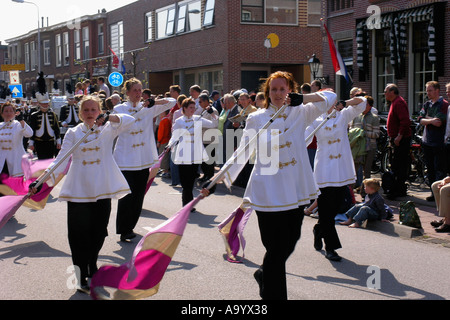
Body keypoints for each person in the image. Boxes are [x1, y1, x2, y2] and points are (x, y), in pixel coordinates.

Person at [212, 71, 337, 300]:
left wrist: (303, 98)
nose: (278, 94)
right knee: (275, 247)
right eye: (274, 89)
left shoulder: (301, 111)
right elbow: (243, 151)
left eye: (283, 89)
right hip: (267, 189)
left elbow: (331, 97)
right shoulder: (257, 118)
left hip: (295, 188)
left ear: (290, 90)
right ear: (268, 92)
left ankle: (263, 274)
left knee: (291, 240)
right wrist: (218, 177)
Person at [30, 95, 135, 293]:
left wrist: (109, 117)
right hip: (79, 190)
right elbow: (59, 160)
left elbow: (130, 120)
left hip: (102, 187)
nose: (89, 114)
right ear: (80, 113)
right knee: (78, 236)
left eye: (93, 110)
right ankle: (80, 275)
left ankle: (92, 263)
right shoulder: (73, 133)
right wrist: (41, 181)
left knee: (99, 232)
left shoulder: (108, 129)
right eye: (85, 110)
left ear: (99, 111)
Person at [113, 78, 176, 242]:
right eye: (135, 90)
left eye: (140, 90)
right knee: (127, 195)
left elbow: (173, 101)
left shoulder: (149, 108)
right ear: (127, 93)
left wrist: (155, 101)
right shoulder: (120, 108)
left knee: (139, 195)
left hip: (142, 158)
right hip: (126, 158)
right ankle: (123, 229)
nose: (138, 93)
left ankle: (130, 227)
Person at [306, 95, 367, 261]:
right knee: (326, 210)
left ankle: (319, 229)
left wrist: (345, 103)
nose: (330, 105)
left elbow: (362, 102)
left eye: (332, 102)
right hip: (325, 169)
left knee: (337, 205)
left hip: (341, 169)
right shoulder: (315, 120)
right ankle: (331, 247)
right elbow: (302, 138)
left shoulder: (343, 115)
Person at [169, 98, 218, 209]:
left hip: (195, 154)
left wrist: (212, 113)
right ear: (184, 108)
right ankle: (187, 204)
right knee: (185, 182)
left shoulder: (198, 119)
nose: (193, 110)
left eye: (194, 108)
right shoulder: (179, 121)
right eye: (190, 107)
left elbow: (214, 124)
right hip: (183, 154)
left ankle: (188, 205)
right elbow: (174, 136)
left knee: (191, 181)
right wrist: (169, 146)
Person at [418, 81, 448, 201]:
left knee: (439, 169)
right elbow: (420, 118)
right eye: (427, 90)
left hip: (438, 142)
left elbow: (439, 121)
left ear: (437, 91)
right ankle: (433, 193)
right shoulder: (427, 104)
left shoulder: (443, 105)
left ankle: (440, 194)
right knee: (430, 168)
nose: (427, 93)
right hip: (427, 142)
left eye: (430, 90)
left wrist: (427, 119)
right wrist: (430, 120)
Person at [385, 84, 411, 200]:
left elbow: (405, 121)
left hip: (400, 140)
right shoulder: (395, 102)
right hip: (396, 138)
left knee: (398, 164)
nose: (384, 93)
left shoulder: (398, 103)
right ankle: (398, 189)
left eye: (386, 91)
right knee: (397, 164)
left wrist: (399, 136)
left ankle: (398, 189)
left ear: (392, 92)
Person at [350, 95, 380, 194]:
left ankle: (365, 193)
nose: (363, 106)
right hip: (358, 148)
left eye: (365, 105)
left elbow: (376, 134)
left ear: (370, 106)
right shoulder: (356, 116)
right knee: (354, 170)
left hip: (369, 147)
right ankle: (350, 193)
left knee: (366, 172)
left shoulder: (374, 118)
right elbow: (351, 130)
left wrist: (363, 133)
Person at [0, 102, 33, 177]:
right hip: (2, 161)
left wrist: (21, 121)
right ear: (2, 114)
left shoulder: (18, 124)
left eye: (11, 111)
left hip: (16, 160)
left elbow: (30, 133)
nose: (8, 113)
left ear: (15, 113)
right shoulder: (0, 126)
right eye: (6, 111)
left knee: (16, 186)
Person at [28, 93, 61, 159]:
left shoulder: (53, 114)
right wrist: (31, 143)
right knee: (41, 159)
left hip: (50, 141)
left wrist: (58, 141)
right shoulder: (34, 115)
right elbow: (32, 130)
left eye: (46, 103)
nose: (45, 105)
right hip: (39, 142)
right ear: (39, 104)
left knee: (50, 159)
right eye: (43, 104)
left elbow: (56, 129)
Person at [198, 93, 219, 183]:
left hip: (210, 139)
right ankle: (206, 175)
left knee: (209, 160)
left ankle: (209, 176)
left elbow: (215, 122)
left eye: (200, 101)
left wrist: (201, 125)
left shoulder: (212, 110)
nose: (199, 103)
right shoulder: (204, 110)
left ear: (206, 101)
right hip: (203, 138)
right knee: (204, 160)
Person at [157, 109, 172, 178]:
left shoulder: (163, 121)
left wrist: (159, 141)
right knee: (165, 156)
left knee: (163, 157)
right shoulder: (167, 120)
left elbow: (161, 133)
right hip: (167, 139)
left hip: (163, 140)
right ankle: (165, 170)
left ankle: (166, 171)